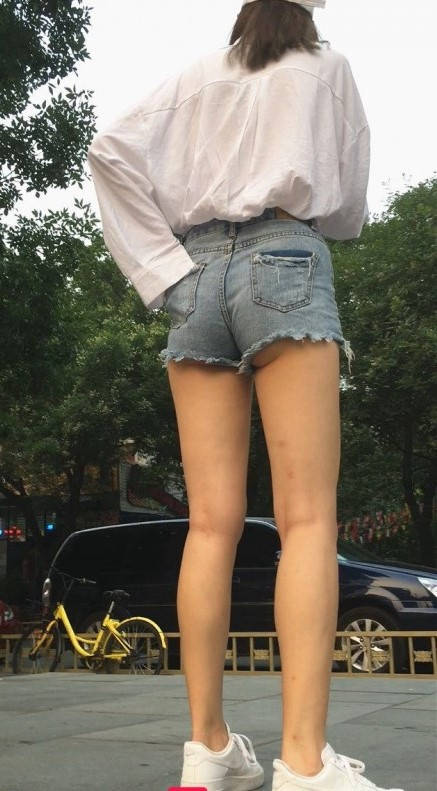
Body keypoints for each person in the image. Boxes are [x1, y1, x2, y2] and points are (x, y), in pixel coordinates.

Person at [87, 2, 405, 790]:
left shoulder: (194, 76)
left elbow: (108, 150)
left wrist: (162, 272)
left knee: (209, 524)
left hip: (194, 276)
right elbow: (347, 209)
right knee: (306, 520)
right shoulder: (325, 67)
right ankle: (304, 762)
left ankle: (208, 749)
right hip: (284, 256)